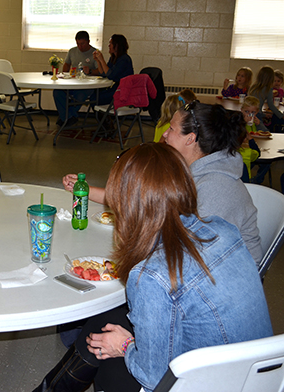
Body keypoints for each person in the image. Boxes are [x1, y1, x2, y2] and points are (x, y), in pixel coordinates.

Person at [36, 143, 272, 392]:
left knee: (107, 358)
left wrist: (125, 346)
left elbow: (152, 375)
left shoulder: (151, 275)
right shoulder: (223, 229)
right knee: (106, 323)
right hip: (257, 375)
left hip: (207, 383)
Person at [64, 102, 262, 266]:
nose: (165, 134)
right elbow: (137, 198)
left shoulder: (215, 188)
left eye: (172, 129)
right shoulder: (187, 169)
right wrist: (85, 190)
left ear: (190, 139)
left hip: (220, 283)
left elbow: (194, 257)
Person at [53, 31, 100, 126]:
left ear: (88, 42)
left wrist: (90, 71)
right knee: (57, 92)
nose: (80, 46)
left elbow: (100, 71)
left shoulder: (95, 53)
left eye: (82, 44)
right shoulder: (72, 51)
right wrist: (65, 74)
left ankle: (66, 117)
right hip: (71, 82)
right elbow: (67, 64)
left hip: (87, 85)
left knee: (80, 96)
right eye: (78, 44)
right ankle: (68, 117)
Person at [91, 34, 134, 106]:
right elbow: (103, 73)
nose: (109, 45)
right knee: (94, 95)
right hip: (115, 88)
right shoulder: (114, 58)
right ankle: (103, 116)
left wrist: (102, 60)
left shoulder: (124, 59)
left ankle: (103, 116)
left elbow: (111, 75)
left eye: (110, 43)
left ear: (117, 46)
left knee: (95, 98)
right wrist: (98, 61)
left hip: (122, 91)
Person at [249, 65, 284, 133]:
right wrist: (281, 116)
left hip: (249, 114)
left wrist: (264, 115)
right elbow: (271, 105)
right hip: (257, 115)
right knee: (265, 132)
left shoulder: (253, 87)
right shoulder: (268, 89)